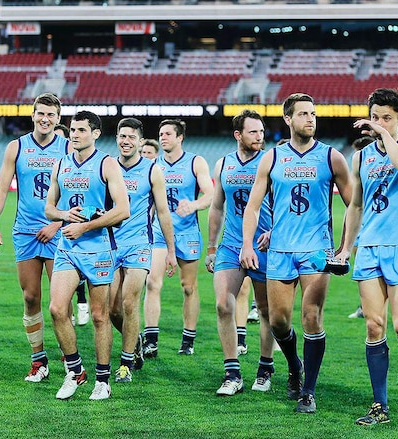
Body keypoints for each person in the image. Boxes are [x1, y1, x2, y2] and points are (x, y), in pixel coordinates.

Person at [239, 93, 352, 414]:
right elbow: (253, 205)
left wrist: (344, 249)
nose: (310, 119)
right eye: (303, 114)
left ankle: (308, 391)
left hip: (316, 252)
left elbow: (354, 206)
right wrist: (248, 244)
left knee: (312, 317)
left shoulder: (332, 158)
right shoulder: (272, 158)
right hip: (279, 251)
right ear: (288, 119)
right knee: (278, 322)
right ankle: (293, 364)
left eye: (313, 113)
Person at [335, 88, 398, 425]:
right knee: (374, 326)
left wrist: (384, 135)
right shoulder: (360, 157)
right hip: (370, 248)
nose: (377, 123)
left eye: (386, 118)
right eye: (374, 117)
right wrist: (346, 248)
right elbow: (356, 205)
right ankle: (380, 406)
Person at [45, 110, 130, 400]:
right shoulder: (61, 164)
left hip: (98, 249)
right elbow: (49, 208)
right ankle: (75, 370)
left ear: (95, 133)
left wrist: (85, 227)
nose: (75, 134)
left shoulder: (107, 164)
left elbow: (123, 210)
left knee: (98, 315)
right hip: (67, 249)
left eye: (81, 130)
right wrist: (63, 214)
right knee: (57, 309)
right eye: (72, 129)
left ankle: (103, 379)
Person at [0, 93, 70, 382]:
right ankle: (39, 361)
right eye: (40, 114)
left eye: (51, 115)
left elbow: (76, 196)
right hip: (25, 231)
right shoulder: (17, 147)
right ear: (32, 115)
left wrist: (57, 224)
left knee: (61, 301)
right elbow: (1, 188)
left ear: (58, 119)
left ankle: (69, 355)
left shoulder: (69, 149)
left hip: (58, 233)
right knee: (30, 296)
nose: (45, 119)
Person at [206, 110, 275, 396]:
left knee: (267, 310)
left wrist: (275, 233)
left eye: (261, 132)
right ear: (238, 135)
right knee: (223, 304)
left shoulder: (272, 161)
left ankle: (265, 367)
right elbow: (217, 207)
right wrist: (211, 246)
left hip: (264, 245)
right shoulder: (223, 164)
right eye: (253, 132)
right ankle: (232, 372)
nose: (259, 137)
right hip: (231, 244)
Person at [108, 118, 176, 384]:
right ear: (116, 138)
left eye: (131, 137)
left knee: (129, 301)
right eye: (121, 136)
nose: (126, 141)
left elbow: (162, 212)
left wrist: (170, 250)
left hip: (139, 244)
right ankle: (134, 339)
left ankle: (125, 363)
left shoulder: (152, 170)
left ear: (139, 140)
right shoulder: (107, 167)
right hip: (111, 244)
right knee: (112, 309)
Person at [142, 119, 213, 357]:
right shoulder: (153, 165)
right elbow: (149, 203)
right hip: (160, 232)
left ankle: (188, 339)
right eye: (160, 134)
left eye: (168, 134)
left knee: (189, 287)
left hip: (188, 233)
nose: (163, 138)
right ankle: (151, 340)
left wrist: (192, 205)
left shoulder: (195, 162)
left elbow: (210, 195)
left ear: (180, 137)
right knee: (152, 282)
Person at [55, 122, 90, 326]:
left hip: (91, 235)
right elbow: (51, 206)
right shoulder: (60, 166)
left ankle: (83, 302)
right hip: (64, 233)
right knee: (57, 302)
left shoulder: (96, 165)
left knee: (103, 311)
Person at [346, 135, 376, 320]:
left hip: (374, 224)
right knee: (361, 265)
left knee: (375, 269)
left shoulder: (377, 169)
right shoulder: (358, 169)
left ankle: (371, 306)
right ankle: (365, 305)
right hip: (360, 222)